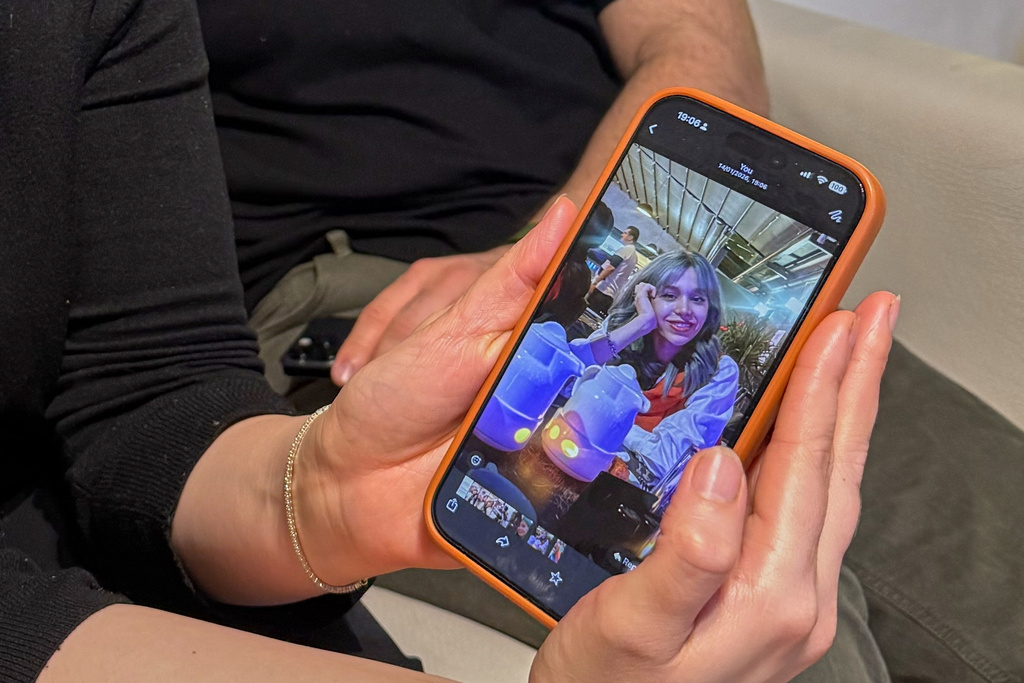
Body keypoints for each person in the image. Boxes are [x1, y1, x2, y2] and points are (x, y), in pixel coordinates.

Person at [2, 2, 897, 680]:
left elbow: (145, 383)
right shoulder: (614, 332)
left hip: (552, 280)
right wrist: (572, 286)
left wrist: (320, 492)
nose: (674, 308)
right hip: (385, 281)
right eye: (664, 292)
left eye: (687, 299)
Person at [193, 0, 771, 394]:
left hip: (516, 261)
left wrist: (525, 265)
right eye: (674, 294)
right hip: (312, 296)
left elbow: (711, 76)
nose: (683, 311)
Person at [571, 250, 739, 490]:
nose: (684, 309)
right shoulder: (626, 328)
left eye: (698, 299)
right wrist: (640, 324)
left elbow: (665, 461)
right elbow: (565, 376)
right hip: (567, 452)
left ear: (709, 309)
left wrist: (596, 415)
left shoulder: (719, 371)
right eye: (670, 295)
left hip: (623, 492)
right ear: (648, 296)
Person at [587, 225, 642, 315]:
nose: (622, 235)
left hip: (603, 290)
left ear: (630, 237)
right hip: (610, 295)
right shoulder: (634, 256)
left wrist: (595, 283)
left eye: (625, 233)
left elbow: (611, 268)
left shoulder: (626, 250)